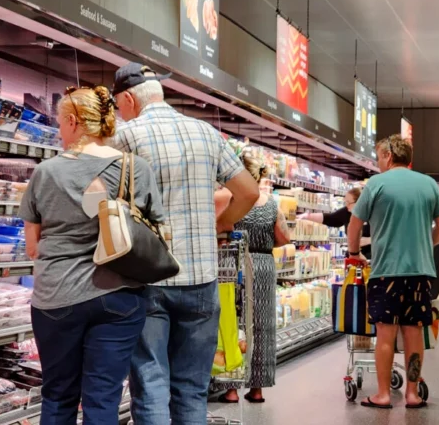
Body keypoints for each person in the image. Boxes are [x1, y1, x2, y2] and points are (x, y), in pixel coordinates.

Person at [111, 63, 260, 425]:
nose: (119, 113)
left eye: (118, 106)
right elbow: (250, 191)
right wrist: (221, 223)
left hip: (149, 279)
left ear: (129, 99)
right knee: (192, 389)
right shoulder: (206, 132)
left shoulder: (126, 136)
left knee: (151, 386)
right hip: (202, 280)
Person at [20, 85, 167, 424]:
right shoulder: (136, 169)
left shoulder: (46, 172)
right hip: (118, 295)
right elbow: (156, 224)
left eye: (59, 123)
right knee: (103, 399)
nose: (59, 131)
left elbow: (32, 246)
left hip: (56, 299)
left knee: (57, 395)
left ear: (72, 122)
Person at [348, 134, 439, 410]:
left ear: (389, 156)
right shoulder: (428, 184)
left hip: (386, 272)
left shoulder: (377, 184)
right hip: (420, 272)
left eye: (379, 157)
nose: (378, 162)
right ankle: (412, 394)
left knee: (386, 334)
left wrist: (354, 254)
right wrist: (425, 243)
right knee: (414, 332)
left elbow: (354, 225)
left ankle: (382, 394)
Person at [213, 148, 291, 403]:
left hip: (231, 263)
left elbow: (215, 227)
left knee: (232, 323)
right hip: (263, 264)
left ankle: (232, 387)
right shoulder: (270, 202)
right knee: (260, 326)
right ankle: (257, 388)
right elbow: (284, 238)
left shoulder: (227, 197)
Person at [298, 188, 372, 257]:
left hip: (372, 258)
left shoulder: (373, 214)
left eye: (349, 202)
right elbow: (329, 218)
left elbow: (383, 237)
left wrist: (370, 240)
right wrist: (307, 216)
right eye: (345, 202)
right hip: (353, 256)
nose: (346, 205)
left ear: (359, 202)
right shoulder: (347, 212)